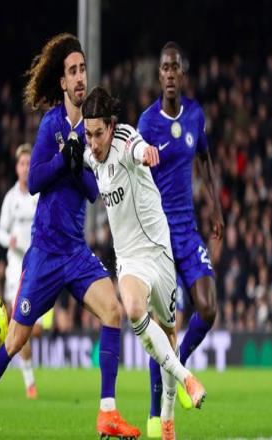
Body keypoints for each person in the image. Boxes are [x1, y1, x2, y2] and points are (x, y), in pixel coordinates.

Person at [0, 34, 140, 440]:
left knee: (113, 311)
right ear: (62, 82)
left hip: (74, 251)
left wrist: (79, 166)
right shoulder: (52, 124)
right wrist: (64, 159)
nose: (80, 77)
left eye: (82, 70)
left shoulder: (93, 128)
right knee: (14, 340)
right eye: (72, 71)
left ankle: (107, 412)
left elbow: (93, 192)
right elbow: (37, 180)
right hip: (44, 251)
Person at [82, 86, 207, 440]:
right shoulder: (91, 154)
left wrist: (146, 152)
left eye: (99, 133)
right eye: (88, 134)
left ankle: (167, 415)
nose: (94, 142)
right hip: (130, 258)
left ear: (111, 126)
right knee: (134, 310)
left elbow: (137, 148)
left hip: (158, 249)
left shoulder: (124, 139)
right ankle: (186, 378)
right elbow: (79, 156)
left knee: (169, 332)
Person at [137, 41, 224, 438]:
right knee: (163, 325)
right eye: (164, 68)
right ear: (159, 75)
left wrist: (216, 207)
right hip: (158, 236)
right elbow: (134, 173)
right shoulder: (146, 123)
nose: (170, 74)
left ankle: (181, 368)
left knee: (208, 308)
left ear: (182, 74)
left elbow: (204, 158)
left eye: (175, 67)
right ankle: (155, 413)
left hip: (187, 232)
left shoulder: (195, 115)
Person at [0, 143, 40, 399]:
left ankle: (25, 362)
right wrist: (9, 240)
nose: (25, 168)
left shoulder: (38, 194)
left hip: (37, 265)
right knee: (19, 321)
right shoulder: (10, 199)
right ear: (17, 167)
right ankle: (29, 380)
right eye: (22, 163)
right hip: (15, 268)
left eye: (28, 163)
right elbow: (0, 232)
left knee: (36, 329)